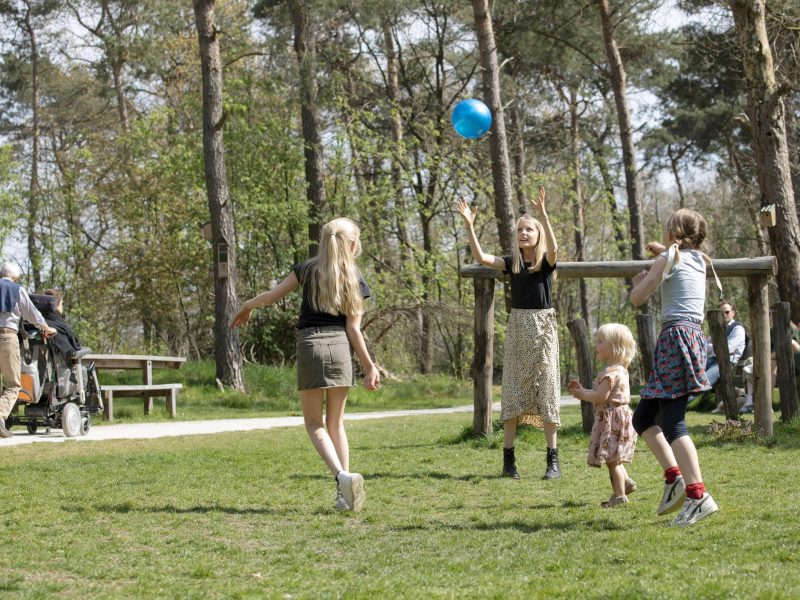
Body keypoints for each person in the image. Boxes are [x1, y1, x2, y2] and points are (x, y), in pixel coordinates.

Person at [229, 218, 380, 512]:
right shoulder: (355, 280)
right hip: (339, 348)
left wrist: (247, 306)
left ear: (323, 242)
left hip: (310, 346)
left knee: (314, 423)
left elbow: (271, 297)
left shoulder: (306, 269)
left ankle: (343, 478)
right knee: (336, 423)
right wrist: (370, 366)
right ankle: (344, 492)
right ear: (352, 245)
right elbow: (353, 330)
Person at [458, 186, 561, 480]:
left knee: (548, 392)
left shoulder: (544, 264)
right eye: (520, 230)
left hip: (543, 331)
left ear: (538, 234)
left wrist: (543, 215)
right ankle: (508, 461)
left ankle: (552, 461)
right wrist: (470, 226)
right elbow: (480, 257)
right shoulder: (511, 263)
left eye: (529, 229)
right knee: (514, 392)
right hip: (518, 328)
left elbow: (554, 249)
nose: (524, 233)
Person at [629, 208, 720, 527]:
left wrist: (639, 281)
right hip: (691, 338)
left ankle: (697, 496)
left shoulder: (668, 260)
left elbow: (639, 298)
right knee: (641, 417)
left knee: (674, 424)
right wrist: (661, 250)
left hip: (675, 339)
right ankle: (675, 479)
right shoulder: (699, 260)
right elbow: (671, 255)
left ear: (673, 233)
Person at [567, 324, 638, 508]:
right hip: (620, 418)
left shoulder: (610, 373)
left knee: (612, 460)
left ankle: (620, 496)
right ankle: (627, 482)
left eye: (600, 341)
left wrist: (582, 395)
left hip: (611, 420)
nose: (596, 345)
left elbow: (600, 397)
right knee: (615, 456)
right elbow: (601, 394)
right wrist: (583, 390)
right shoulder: (621, 370)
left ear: (614, 347)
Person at [0, 262, 57, 438]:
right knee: (13, 384)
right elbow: (32, 314)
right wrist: (47, 328)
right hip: (7, 338)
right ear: (15, 277)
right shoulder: (17, 289)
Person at [704, 300, 747, 387]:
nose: (724, 314)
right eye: (721, 313)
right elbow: (704, 346)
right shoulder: (718, 329)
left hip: (727, 363)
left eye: (727, 312)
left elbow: (727, 349)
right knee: (690, 376)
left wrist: (710, 348)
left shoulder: (738, 328)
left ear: (733, 313)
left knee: (703, 383)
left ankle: (681, 400)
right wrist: (713, 348)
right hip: (711, 360)